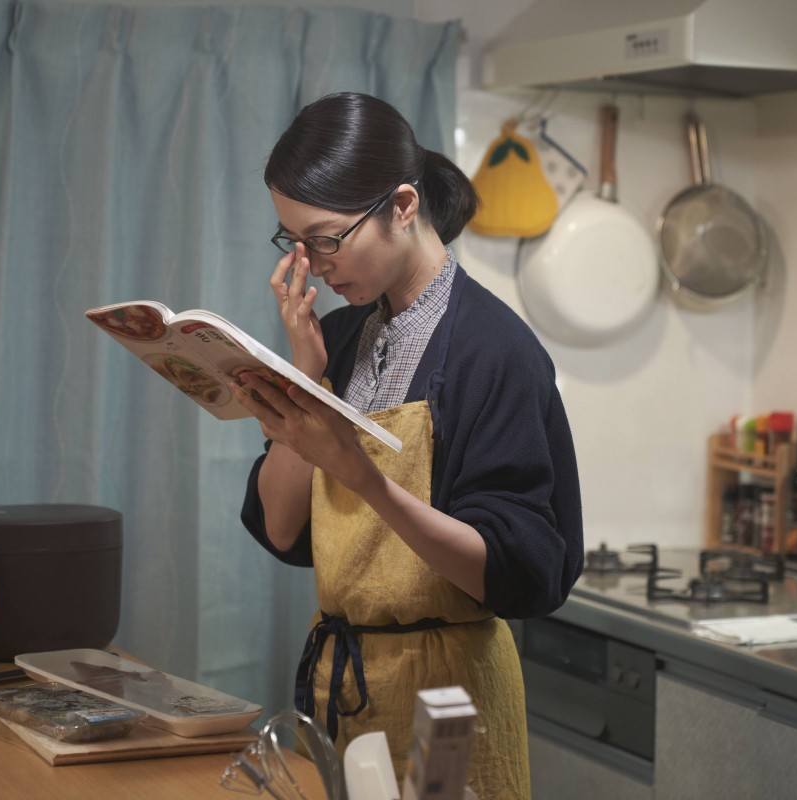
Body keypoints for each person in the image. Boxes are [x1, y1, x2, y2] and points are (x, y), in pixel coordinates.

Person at [235, 92, 582, 799]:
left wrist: (364, 479)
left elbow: (518, 572)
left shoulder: (496, 352)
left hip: (450, 703)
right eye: (294, 240)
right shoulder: (335, 340)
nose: (313, 262)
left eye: (326, 237)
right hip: (345, 691)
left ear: (401, 205)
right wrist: (303, 380)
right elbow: (281, 527)